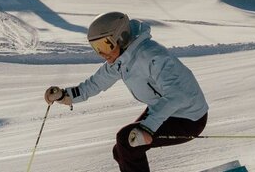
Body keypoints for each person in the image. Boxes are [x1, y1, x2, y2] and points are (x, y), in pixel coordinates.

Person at [45, 12, 210, 172]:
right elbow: (96, 83)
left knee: (126, 141)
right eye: (96, 47)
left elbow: (177, 95)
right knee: (121, 151)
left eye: (104, 45)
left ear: (121, 37)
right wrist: (65, 95)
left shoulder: (152, 55)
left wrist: (148, 128)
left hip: (189, 116)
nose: (102, 53)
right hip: (164, 109)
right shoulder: (122, 59)